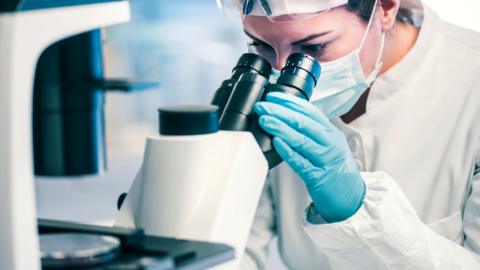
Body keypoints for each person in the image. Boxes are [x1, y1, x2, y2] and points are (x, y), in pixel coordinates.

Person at [216, 0, 480, 269]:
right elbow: (229, 251)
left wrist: (358, 214)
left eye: (314, 48)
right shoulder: (253, 92)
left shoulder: (471, 82)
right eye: (261, 46)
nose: (282, 71)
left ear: (386, 9)